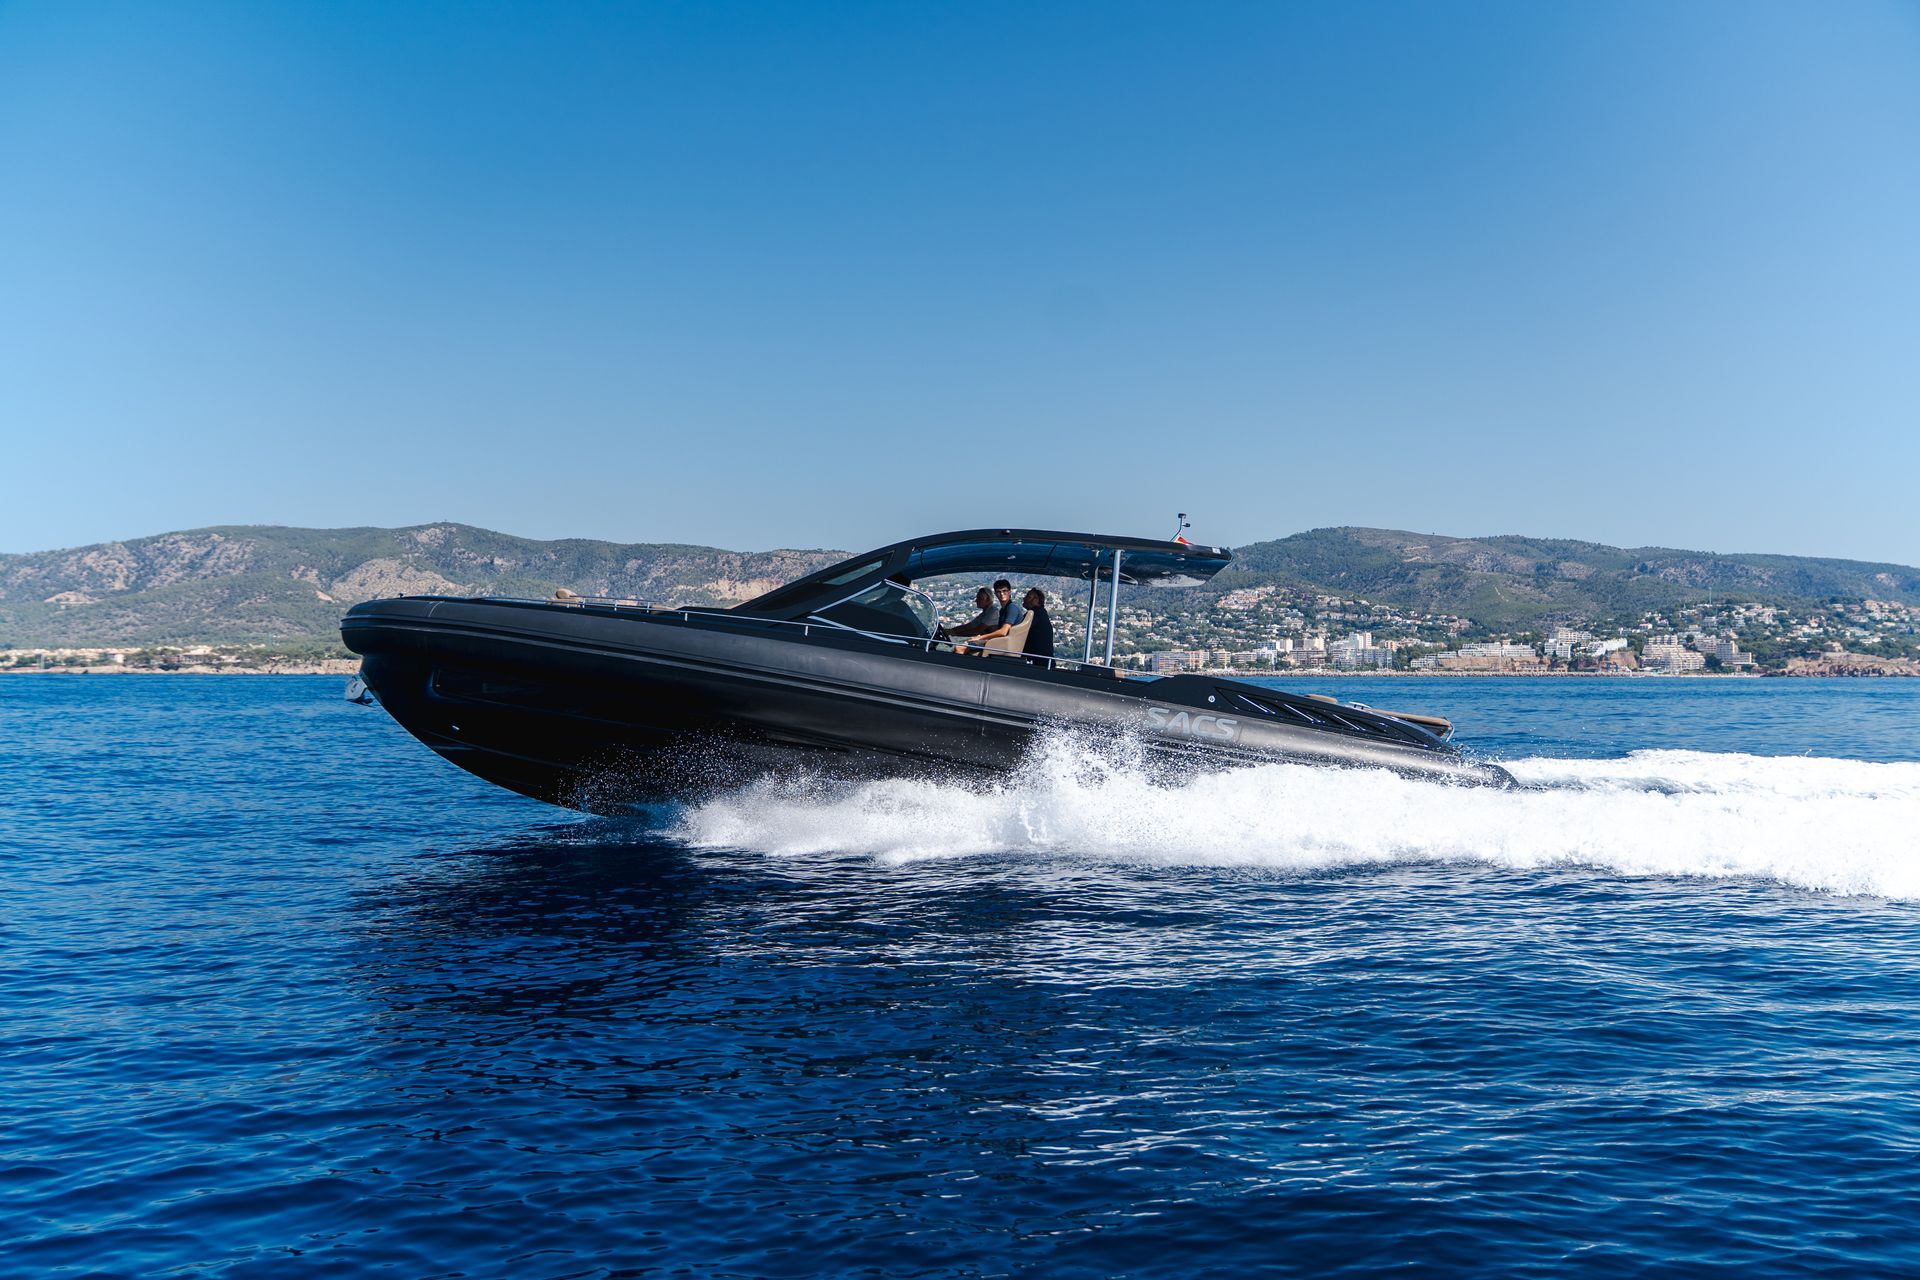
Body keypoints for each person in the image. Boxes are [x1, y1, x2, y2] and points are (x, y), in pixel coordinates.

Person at [1019, 588, 1054, 665]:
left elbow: (1018, 631)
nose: (1024, 598)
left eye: (1028, 596)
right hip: (1043, 662)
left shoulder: (1034, 614)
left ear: (1036, 600)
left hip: (1038, 663)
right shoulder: (1041, 613)